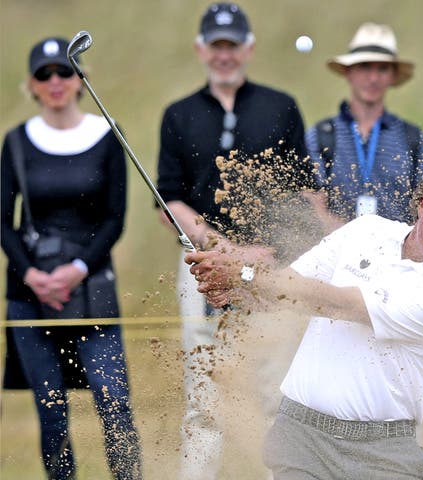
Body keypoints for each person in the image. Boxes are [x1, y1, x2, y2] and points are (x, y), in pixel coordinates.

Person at [186, 159, 423, 480]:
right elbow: (284, 289)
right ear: (422, 204)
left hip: (383, 451)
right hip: (302, 435)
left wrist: (244, 274)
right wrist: (234, 290)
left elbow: (337, 304)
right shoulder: (366, 230)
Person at [155, 3, 315, 478]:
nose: (224, 55)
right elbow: (170, 200)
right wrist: (218, 247)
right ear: (201, 49)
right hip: (201, 268)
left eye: (233, 45)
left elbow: (301, 190)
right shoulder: (178, 114)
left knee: (274, 389)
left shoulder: (280, 106)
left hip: (268, 267)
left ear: (248, 48)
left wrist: (264, 252)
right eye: (216, 45)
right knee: (203, 392)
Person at [0, 37, 141, 479]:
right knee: (52, 411)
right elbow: (4, 221)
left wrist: (76, 271)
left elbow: (115, 218)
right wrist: (34, 277)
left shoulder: (105, 134)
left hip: (92, 287)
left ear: (81, 80)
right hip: (31, 294)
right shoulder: (18, 141)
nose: (55, 81)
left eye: (64, 71)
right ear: (32, 85)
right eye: (44, 75)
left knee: (113, 402)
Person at [305, 22, 423, 232]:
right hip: (334, 253)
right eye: (365, 66)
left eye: (382, 68)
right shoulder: (320, 136)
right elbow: (313, 203)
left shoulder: (413, 138)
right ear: (348, 72)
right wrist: (351, 238)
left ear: (392, 76)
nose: (373, 78)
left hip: (394, 257)